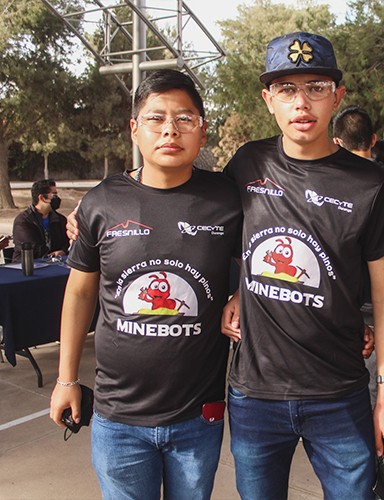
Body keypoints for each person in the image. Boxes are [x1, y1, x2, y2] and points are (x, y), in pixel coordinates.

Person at [220, 32, 384, 499]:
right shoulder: (248, 163)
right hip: (255, 395)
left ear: (337, 97)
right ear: (268, 100)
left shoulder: (370, 183)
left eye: (316, 88)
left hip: (339, 393)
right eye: (286, 89)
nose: (301, 102)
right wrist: (235, 291)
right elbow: (200, 222)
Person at [49, 69, 243, 499]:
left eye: (184, 119)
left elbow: (263, 258)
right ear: (135, 129)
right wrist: (65, 380)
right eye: (156, 118)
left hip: (198, 415)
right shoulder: (101, 202)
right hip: (118, 418)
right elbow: (80, 293)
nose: (170, 130)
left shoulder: (227, 199)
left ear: (202, 131)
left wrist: (242, 295)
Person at [12, 179, 68, 263]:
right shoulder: (23, 221)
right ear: (41, 197)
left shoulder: (60, 219)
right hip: (28, 265)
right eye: (53, 194)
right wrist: (51, 256)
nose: (57, 198)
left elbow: (67, 242)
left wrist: (63, 251)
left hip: (55, 264)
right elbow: (33, 248)